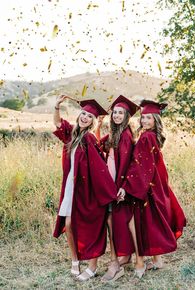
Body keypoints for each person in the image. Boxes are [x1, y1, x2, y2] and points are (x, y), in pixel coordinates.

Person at [53, 95, 119, 282]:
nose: (85, 117)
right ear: (79, 115)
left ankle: (92, 266)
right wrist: (57, 106)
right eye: (83, 114)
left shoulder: (89, 139)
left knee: (90, 227)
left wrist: (107, 192)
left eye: (89, 116)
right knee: (68, 224)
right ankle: (75, 261)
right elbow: (58, 124)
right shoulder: (73, 134)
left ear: (92, 122)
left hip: (85, 190)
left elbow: (99, 168)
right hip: (70, 188)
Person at [118, 99, 186, 278]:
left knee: (141, 222)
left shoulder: (146, 137)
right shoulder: (152, 135)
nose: (144, 121)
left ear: (156, 119)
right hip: (155, 183)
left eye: (148, 118)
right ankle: (157, 260)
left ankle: (141, 263)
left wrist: (126, 186)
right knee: (153, 221)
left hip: (147, 185)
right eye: (143, 118)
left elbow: (140, 165)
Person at [96, 95, 139, 282]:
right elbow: (100, 145)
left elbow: (129, 164)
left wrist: (122, 187)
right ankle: (126, 257)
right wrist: (97, 126)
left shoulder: (126, 135)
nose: (116, 115)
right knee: (115, 220)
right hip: (111, 182)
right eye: (114, 112)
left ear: (127, 116)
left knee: (114, 220)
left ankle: (116, 262)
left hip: (118, 185)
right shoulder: (115, 133)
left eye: (120, 113)